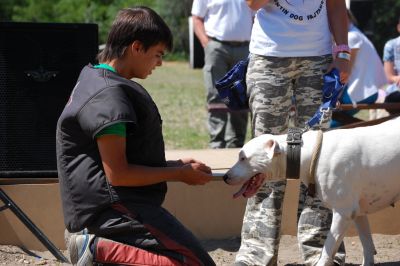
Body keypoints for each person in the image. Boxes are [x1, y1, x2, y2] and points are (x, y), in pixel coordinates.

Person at [57, 6, 216, 266]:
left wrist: (179, 166)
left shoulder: (95, 76)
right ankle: (98, 249)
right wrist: (178, 174)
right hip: (111, 209)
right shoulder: (108, 98)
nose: (160, 63)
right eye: (158, 55)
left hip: (112, 203)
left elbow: (119, 162)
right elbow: (118, 174)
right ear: (137, 47)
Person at [234, 1, 350, 266]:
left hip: (319, 61)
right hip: (268, 59)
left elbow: (335, 4)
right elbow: (252, 3)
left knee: (319, 160)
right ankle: (256, 254)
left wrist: (342, 52)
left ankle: (323, 252)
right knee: (264, 159)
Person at [191, 0, 253, 149]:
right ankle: (217, 144)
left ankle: (236, 144)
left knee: (240, 95)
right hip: (217, 47)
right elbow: (196, 18)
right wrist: (207, 44)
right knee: (215, 95)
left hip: (245, 47)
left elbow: (257, 16)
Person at [331, 9, 387, 127]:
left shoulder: (351, 37)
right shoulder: (354, 34)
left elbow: (344, 72)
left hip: (362, 93)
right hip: (364, 91)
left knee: (327, 122)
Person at [382, 16, 400, 114]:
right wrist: (397, 79)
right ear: (398, 27)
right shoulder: (391, 45)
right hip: (396, 92)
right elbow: (389, 77)